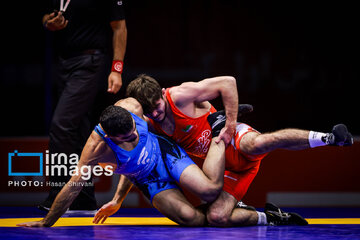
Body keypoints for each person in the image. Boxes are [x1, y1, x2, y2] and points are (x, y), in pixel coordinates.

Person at [121, 74, 353, 227]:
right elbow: (137, 161)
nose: (155, 114)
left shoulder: (180, 95)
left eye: (157, 107)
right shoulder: (149, 124)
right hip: (224, 169)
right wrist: (117, 199)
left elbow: (228, 82)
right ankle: (270, 218)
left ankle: (330, 137)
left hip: (231, 140)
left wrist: (230, 124)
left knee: (257, 144)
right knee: (216, 217)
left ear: (162, 93)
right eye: (148, 111)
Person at [18, 98, 227, 227]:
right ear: (110, 137)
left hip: (164, 152)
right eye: (127, 138)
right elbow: (73, 188)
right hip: (148, 178)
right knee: (192, 219)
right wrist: (47, 222)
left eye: (135, 131)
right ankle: (237, 213)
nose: (134, 137)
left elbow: (166, 102)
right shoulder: (96, 150)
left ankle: (219, 125)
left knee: (209, 191)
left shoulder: (133, 106)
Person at [40, 0, 127, 211]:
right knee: (78, 130)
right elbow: (45, 16)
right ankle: (83, 197)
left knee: (61, 125)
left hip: (89, 62)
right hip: (63, 63)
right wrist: (49, 22)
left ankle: (58, 196)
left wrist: (116, 69)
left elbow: (119, 27)